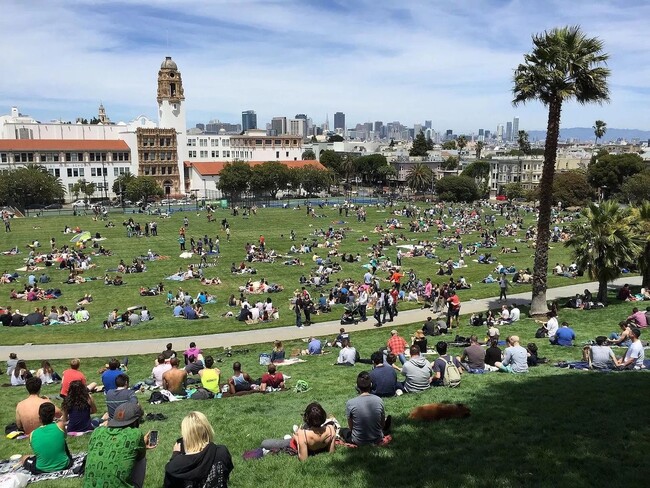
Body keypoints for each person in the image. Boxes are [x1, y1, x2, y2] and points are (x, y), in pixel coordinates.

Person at [84, 403, 154, 488]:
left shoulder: (97, 432)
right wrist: (143, 445)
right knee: (142, 459)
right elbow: (140, 456)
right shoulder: (135, 434)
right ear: (136, 421)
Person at [164, 411, 234, 487]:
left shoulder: (175, 466)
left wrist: (175, 457)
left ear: (186, 435)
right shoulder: (222, 452)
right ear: (207, 429)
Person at [260, 403, 336, 461]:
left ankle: (288, 437)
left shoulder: (303, 434)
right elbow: (331, 451)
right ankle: (288, 437)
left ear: (307, 418)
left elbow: (303, 459)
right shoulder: (331, 429)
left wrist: (297, 438)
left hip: (294, 444)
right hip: (313, 441)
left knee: (265, 443)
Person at [340, 372, 390, 446]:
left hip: (358, 440)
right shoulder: (379, 400)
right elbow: (382, 424)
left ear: (357, 386)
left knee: (343, 430)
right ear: (371, 385)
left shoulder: (350, 403)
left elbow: (351, 427)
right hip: (377, 438)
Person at [23, 403, 72, 474]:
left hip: (41, 469)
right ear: (53, 416)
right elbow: (65, 436)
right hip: (65, 465)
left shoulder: (32, 434)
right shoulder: (60, 426)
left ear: (40, 418)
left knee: (24, 458)